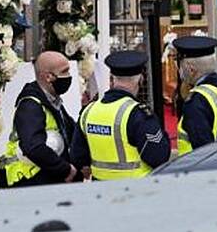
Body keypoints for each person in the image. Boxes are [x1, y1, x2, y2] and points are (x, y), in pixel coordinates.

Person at [71, 51, 170, 180]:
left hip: (100, 189)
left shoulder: (89, 110)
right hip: (136, 190)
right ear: (141, 79)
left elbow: (77, 157)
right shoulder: (138, 114)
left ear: (112, 79)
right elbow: (158, 156)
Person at [2, 51, 79, 187]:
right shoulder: (30, 106)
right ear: (48, 77)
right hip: (31, 180)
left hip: (46, 179)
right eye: (64, 72)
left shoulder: (52, 101)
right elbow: (33, 147)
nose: (68, 77)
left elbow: (70, 131)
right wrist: (66, 170)